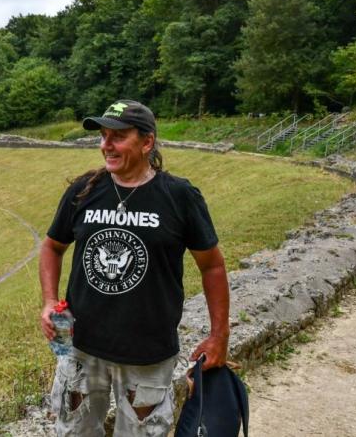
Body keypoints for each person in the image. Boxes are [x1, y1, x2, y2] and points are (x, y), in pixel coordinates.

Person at [39, 99, 230, 437]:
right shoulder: (84, 191)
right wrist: (49, 301)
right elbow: (52, 247)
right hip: (81, 348)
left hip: (148, 355)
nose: (106, 145)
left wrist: (219, 335)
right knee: (74, 432)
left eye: (118, 137)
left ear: (147, 142)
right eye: (102, 136)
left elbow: (212, 265)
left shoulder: (179, 196)